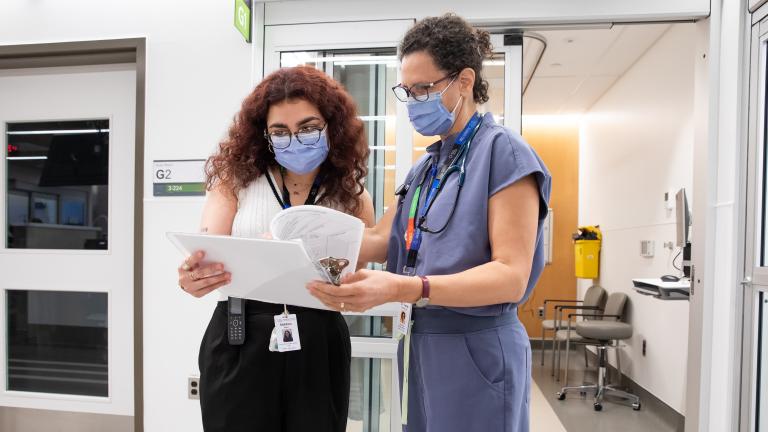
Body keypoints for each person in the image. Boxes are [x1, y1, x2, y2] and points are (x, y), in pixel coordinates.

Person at [307, 14, 551, 432]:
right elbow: (383, 239)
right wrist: (299, 239)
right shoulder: (428, 167)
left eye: (425, 88)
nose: (416, 101)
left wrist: (407, 287)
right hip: (421, 343)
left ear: (464, 81)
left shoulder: (504, 154)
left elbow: (511, 275)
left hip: (476, 345)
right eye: (408, 91)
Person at [177, 66, 374, 432]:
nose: (294, 139)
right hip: (239, 332)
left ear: (332, 126)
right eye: (279, 132)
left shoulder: (352, 195)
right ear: (263, 135)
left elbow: (362, 274)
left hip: (319, 336)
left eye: (308, 127)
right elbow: (209, 246)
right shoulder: (234, 181)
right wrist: (193, 276)